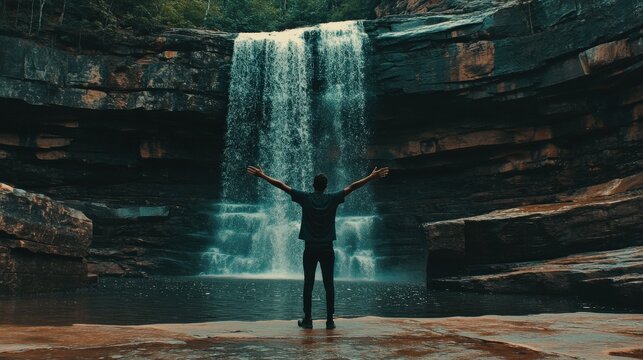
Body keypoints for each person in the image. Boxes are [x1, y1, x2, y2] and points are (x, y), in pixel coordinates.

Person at [246, 165, 389, 330]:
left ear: (313, 185)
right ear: (326, 186)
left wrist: (263, 175)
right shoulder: (332, 198)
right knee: (329, 284)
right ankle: (330, 321)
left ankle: (308, 320)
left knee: (308, 284)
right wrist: (372, 177)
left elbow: (282, 186)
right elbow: (352, 187)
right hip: (327, 248)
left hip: (311, 248)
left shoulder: (305, 198)